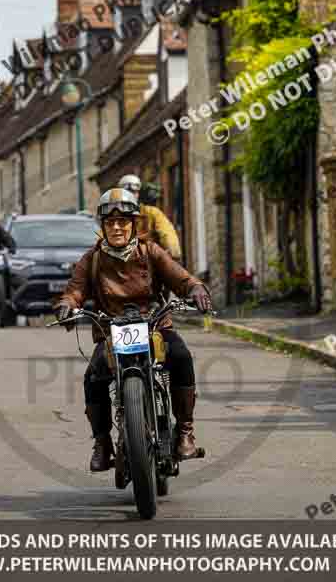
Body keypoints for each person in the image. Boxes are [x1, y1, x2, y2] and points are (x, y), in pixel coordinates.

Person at [54, 188, 212, 473]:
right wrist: (67, 306)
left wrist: (196, 289)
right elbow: (75, 291)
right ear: (102, 226)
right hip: (112, 332)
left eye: (123, 221)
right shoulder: (91, 259)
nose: (117, 227)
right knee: (94, 378)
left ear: (133, 224)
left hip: (154, 325)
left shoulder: (150, 251)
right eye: (110, 222)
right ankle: (103, 444)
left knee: (181, 357)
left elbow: (180, 277)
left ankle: (185, 433)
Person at [119, 174, 182, 261]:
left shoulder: (152, 213)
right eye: (127, 193)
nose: (131, 196)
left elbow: (166, 232)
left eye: (134, 192)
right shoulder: (114, 218)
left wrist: (172, 250)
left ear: (138, 194)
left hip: (151, 261)